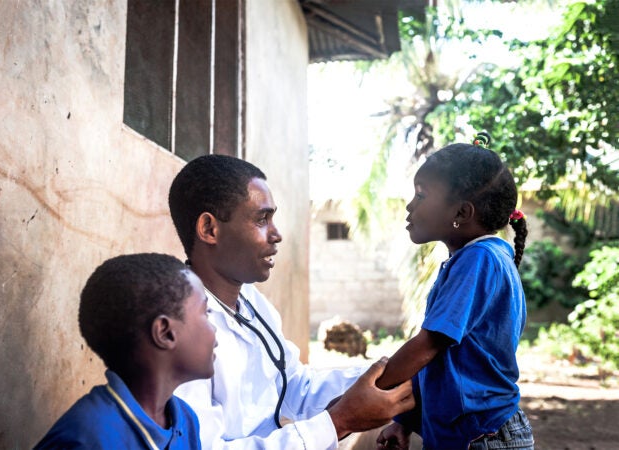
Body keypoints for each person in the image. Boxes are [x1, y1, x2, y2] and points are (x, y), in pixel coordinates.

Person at [168, 154, 414, 449]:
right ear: (210, 229)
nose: (277, 234)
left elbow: (295, 386)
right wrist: (340, 421)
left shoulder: (251, 302)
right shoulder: (177, 329)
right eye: (262, 219)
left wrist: (391, 372)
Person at [375, 133, 534, 450]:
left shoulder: (479, 260)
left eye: (421, 195)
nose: (410, 205)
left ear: (462, 213)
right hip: (468, 435)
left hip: (483, 438)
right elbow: (440, 362)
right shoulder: (473, 260)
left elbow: (427, 346)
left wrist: (370, 388)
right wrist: (404, 422)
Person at [34, 253, 217, 449]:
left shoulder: (185, 420)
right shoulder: (86, 438)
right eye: (205, 313)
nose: (214, 328)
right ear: (165, 333)